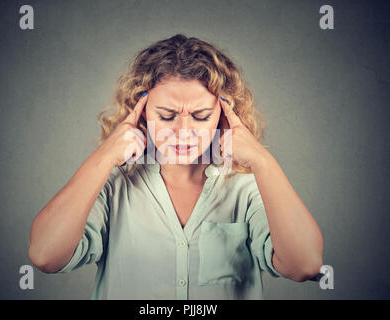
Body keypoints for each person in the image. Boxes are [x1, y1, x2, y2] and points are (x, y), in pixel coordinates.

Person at [28, 34, 323, 299]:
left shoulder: (248, 188)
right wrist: (104, 157)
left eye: (201, 115)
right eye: (167, 116)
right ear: (140, 111)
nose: (183, 131)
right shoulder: (113, 185)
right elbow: (45, 256)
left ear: (223, 114)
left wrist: (262, 160)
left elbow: (305, 265)